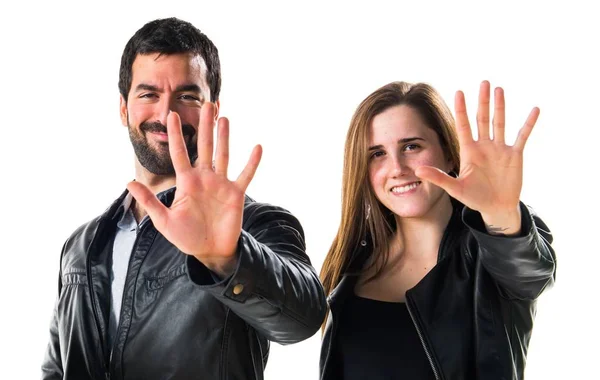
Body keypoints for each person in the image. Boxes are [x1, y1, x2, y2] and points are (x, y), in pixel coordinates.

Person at [41, 17, 326, 380]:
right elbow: (55, 368)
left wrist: (226, 257)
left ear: (213, 110)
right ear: (124, 108)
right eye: (149, 94)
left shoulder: (252, 224)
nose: (166, 115)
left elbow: (303, 319)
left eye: (187, 96)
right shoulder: (80, 246)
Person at [319, 80, 556, 379]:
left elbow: (530, 273)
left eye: (411, 146)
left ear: (448, 153)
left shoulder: (489, 252)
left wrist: (502, 214)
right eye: (377, 153)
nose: (397, 168)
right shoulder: (353, 265)